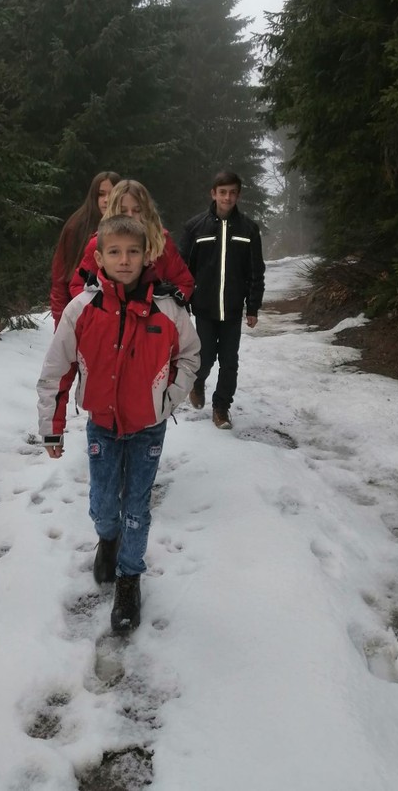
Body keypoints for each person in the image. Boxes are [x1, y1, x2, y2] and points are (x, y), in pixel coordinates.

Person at [37, 215, 200, 634]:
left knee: (136, 508)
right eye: (115, 252)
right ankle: (107, 539)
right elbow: (58, 368)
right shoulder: (83, 309)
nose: (124, 260)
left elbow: (190, 357)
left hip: (149, 428)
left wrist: (168, 399)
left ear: (148, 255)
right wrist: (52, 426)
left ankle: (129, 578)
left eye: (133, 252)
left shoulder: (168, 307)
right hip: (103, 426)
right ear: (99, 257)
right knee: (105, 505)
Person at [179, 171, 265, 430]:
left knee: (229, 361)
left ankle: (221, 408)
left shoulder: (248, 229)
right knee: (204, 358)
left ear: (238, 195)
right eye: (223, 191)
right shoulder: (195, 227)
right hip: (204, 309)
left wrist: (253, 307)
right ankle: (197, 382)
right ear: (213, 193)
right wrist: (182, 302)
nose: (227, 197)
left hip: (232, 309)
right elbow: (183, 270)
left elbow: (255, 271)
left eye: (232, 192)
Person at [69, 179, 194, 303]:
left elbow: (184, 283)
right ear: (113, 210)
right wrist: (98, 310)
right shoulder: (99, 243)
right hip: (109, 319)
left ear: (146, 212)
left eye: (137, 210)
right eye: (123, 210)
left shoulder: (160, 241)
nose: (130, 215)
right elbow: (77, 286)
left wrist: (165, 310)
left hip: (150, 318)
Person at [49, 171, 121, 327]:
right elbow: (60, 278)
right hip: (80, 315)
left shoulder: (129, 228)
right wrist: (61, 321)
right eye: (101, 194)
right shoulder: (77, 226)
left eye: (112, 194)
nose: (107, 200)